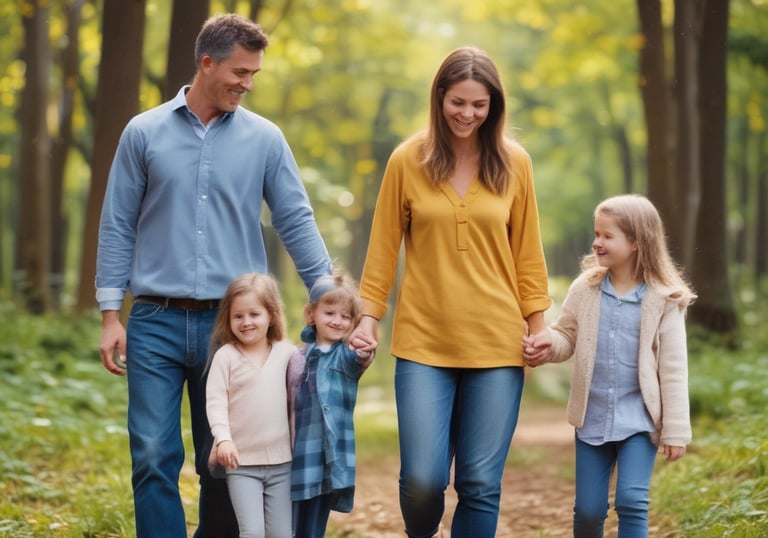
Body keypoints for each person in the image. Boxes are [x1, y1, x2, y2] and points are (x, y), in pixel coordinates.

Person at [95, 13, 332, 538]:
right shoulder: (144, 132)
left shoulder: (266, 140)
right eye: (241, 72)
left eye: (254, 75)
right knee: (153, 453)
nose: (247, 84)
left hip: (234, 326)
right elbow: (117, 224)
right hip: (154, 320)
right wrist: (112, 315)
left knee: (226, 461)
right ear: (207, 63)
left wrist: (327, 296)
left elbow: (295, 219)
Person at [348, 46, 551, 537]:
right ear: (439, 97)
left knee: (480, 483)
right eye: (458, 102)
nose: (467, 114)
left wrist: (539, 326)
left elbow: (527, 254)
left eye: (479, 105)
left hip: (497, 345)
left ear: (494, 106)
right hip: (423, 345)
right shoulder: (407, 160)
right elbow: (382, 248)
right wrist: (369, 316)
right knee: (423, 480)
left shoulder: (514, 164)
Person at [523, 194, 695, 537]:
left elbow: (673, 370)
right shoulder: (585, 290)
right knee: (588, 512)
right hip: (592, 419)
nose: (596, 242)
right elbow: (567, 337)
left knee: (632, 501)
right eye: (596, 233)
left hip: (639, 420)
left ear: (635, 242)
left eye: (607, 235)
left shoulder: (664, 299)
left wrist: (675, 429)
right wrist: (547, 344)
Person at [206, 273, 296, 538]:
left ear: (271, 315)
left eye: (254, 314)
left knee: (281, 533)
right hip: (241, 464)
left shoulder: (288, 354)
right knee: (252, 532)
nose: (246, 322)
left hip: (283, 463)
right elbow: (216, 401)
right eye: (238, 316)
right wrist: (223, 439)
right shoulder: (226, 357)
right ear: (228, 319)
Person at [288, 269, 374, 538]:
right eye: (329, 313)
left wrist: (363, 344)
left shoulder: (346, 358)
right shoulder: (295, 357)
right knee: (286, 526)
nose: (337, 321)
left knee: (313, 529)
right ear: (311, 315)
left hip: (327, 460)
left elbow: (361, 354)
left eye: (345, 316)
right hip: (296, 458)